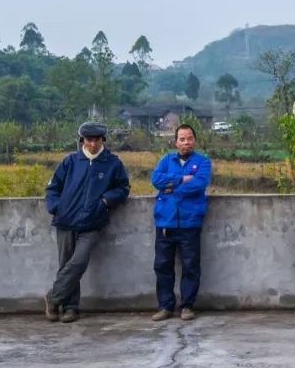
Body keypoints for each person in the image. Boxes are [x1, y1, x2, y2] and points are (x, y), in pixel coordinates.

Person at [43, 122, 131, 323]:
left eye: (96, 140)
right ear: (82, 140)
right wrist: (56, 207)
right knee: (65, 264)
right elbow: (53, 188)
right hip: (66, 220)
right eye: (88, 140)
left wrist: (105, 201)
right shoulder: (70, 162)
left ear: (103, 140)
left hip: (93, 222)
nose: (92, 144)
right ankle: (70, 308)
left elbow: (123, 188)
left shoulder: (112, 163)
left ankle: (53, 297)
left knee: (79, 261)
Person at [150, 124, 212, 322]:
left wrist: (171, 188)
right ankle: (165, 306)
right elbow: (155, 179)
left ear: (195, 140)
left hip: (190, 223)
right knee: (162, 265)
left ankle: (187, 305)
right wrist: (181, 179)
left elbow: (199, 184)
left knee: (190, 266)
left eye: (189, 138)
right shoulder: (166, 160)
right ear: (176, 141)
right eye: (182, 139)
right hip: (165, 222)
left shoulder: (203, 162)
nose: (186, 143)